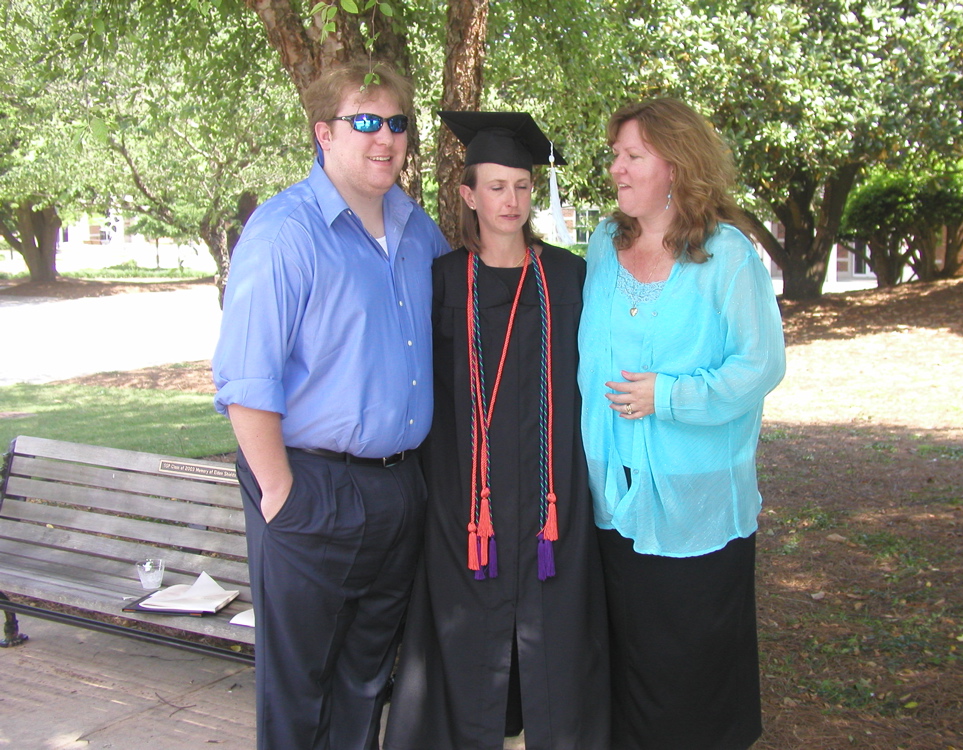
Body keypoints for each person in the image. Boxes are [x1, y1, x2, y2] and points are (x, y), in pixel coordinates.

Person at [212, 60, 450, 750]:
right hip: (312, 490)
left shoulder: (416, 230)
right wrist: (280, 494)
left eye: (397, 123)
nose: (385, 138)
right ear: (323, 132)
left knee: (367, 682)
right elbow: (246, 378)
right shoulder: (285, 231)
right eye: (365, 121)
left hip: (401, 490)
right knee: (299, 693)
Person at [383, 112, 610, 750]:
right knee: (464, 635)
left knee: (556, 632)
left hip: (550, 506)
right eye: (495, 187)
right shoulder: (441, 282)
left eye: (521, 186)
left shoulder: (567, 279)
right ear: (468, 195)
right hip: (467, 502)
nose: (510, 201)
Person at [577, 97, 786, 750]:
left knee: (691, 682)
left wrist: (668, 396)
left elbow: (759, 367)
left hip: (695, 513)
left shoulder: (727, 258)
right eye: (616, 155)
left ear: (675, 165)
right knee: (625, 670)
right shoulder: (602, 250)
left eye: (632, 155)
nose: (616, 167)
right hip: (613, 503)